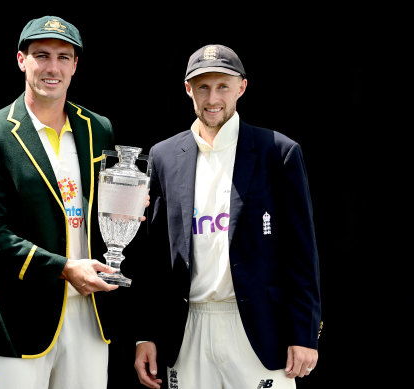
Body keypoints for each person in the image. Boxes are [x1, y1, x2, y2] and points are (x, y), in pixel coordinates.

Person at [130, 44, 322, 389]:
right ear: (188, 89)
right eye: (203, 87)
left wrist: (305, 331)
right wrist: (146, 333)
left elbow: (301, 252)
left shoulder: (277, 152)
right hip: (188, 328)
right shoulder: (164, 156)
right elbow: (154, 258)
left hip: (258, 327)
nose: (212, 98)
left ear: (241, 87)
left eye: (222, 86)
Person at [0, 15, 121, 389]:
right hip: (17, 320)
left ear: (76, 65)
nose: (53, 67)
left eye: (64, 57)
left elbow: (104, 206)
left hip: (90, 315)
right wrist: (64, 268)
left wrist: (127, 213)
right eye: (42, 55)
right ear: (21, 60)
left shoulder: (98, 128)